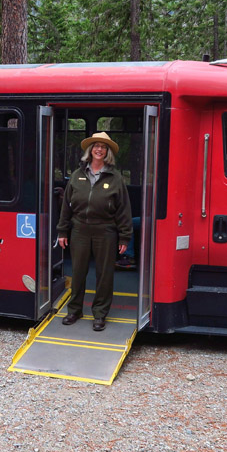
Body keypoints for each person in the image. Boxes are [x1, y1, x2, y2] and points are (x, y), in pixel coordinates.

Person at [57, 132, 133, 331]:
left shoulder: (115, 178)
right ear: (90, 150)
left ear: (108, 152)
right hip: (79, 230)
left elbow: (124, 210)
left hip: (105, 231)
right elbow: (66, 206)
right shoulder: (77, 175)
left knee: (104, 274)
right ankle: (74, 310)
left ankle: (99, 314)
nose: (99, 149)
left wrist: (124, 237)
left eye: (103, 147)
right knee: (78, 272)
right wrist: (62, 231)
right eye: (96, 146)